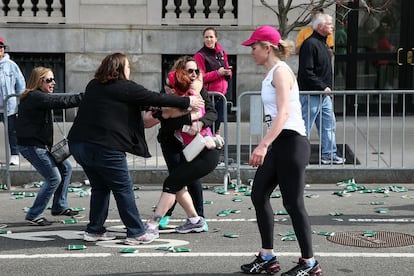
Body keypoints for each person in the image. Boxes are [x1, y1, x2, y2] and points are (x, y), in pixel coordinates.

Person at [68, 52, 204, 245]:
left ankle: (94, 230)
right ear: (119, 69)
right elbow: (154, 97)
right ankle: (135, 232)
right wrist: (186, 102)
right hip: (105, 147)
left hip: (78, 145)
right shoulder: (124, 87)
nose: (129, 69)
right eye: (127, 66)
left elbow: (136, 103)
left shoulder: (94, 85)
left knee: (100, 187)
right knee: (123, 189)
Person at [240, 25, 322, 276]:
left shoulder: (281, 72)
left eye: (254, 47)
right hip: (280, 144)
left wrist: (263, 144)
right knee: (258, 194)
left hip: (292, 142)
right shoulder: (271, 74)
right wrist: (269, 143)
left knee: (293, 203)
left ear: (267, 47)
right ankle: (267, 256)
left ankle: (310, 263)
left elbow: (284, 112)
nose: (251, 51)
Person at [144, 64, 221, 238]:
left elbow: (159, 118)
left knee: (171, 184)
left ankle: (153, 224)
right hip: (197, 152)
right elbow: (158, 120)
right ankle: (195, 220)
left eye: (167, 86)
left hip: (205, 154)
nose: (164, 88)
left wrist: (193, 118)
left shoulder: (179, 105)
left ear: (173, 90)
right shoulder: (190, 99)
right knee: (176, 184)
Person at [16, 66, 82, 226]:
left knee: (66, 168)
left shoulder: (39, 96)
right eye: (49, 80)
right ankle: (34, 214)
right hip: (32, 146)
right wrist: (85, 97)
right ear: (39, 82)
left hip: (41, 145)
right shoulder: (35, 97)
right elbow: (61, 101)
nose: (53, 83)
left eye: (53, 79)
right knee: (54, 178)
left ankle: (59, 206)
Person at [298, 13, 345, 165]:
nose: (332, 26)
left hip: (323, 94)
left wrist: (325, 89)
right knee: (304, 126)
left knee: (328, 124)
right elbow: (307, 71)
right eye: (329, 23)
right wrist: (322, 87)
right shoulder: (310, 44)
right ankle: (297, 155)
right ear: (320, 27)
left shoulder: (323, 44)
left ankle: (329, 154)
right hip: (311, 93)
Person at [194, 27, 232, 135]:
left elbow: (227, 68)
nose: (209, 39)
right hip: (209, 96)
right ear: (203, 39)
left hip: (222, 95)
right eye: (206, 37)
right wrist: (218, 73)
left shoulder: (222, 52)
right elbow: (200, 77)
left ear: (216, 38)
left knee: (217, 127)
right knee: (208, 127)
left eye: (211, 37)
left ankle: (214, 147)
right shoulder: (200, 55)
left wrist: (228, 72)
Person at [0, 37, 26, 166]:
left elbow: (20, 84)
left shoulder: (11, 65)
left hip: (9, 105)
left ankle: (14, 155)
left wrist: (18, 101)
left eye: (1, 48)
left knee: (12, 130)